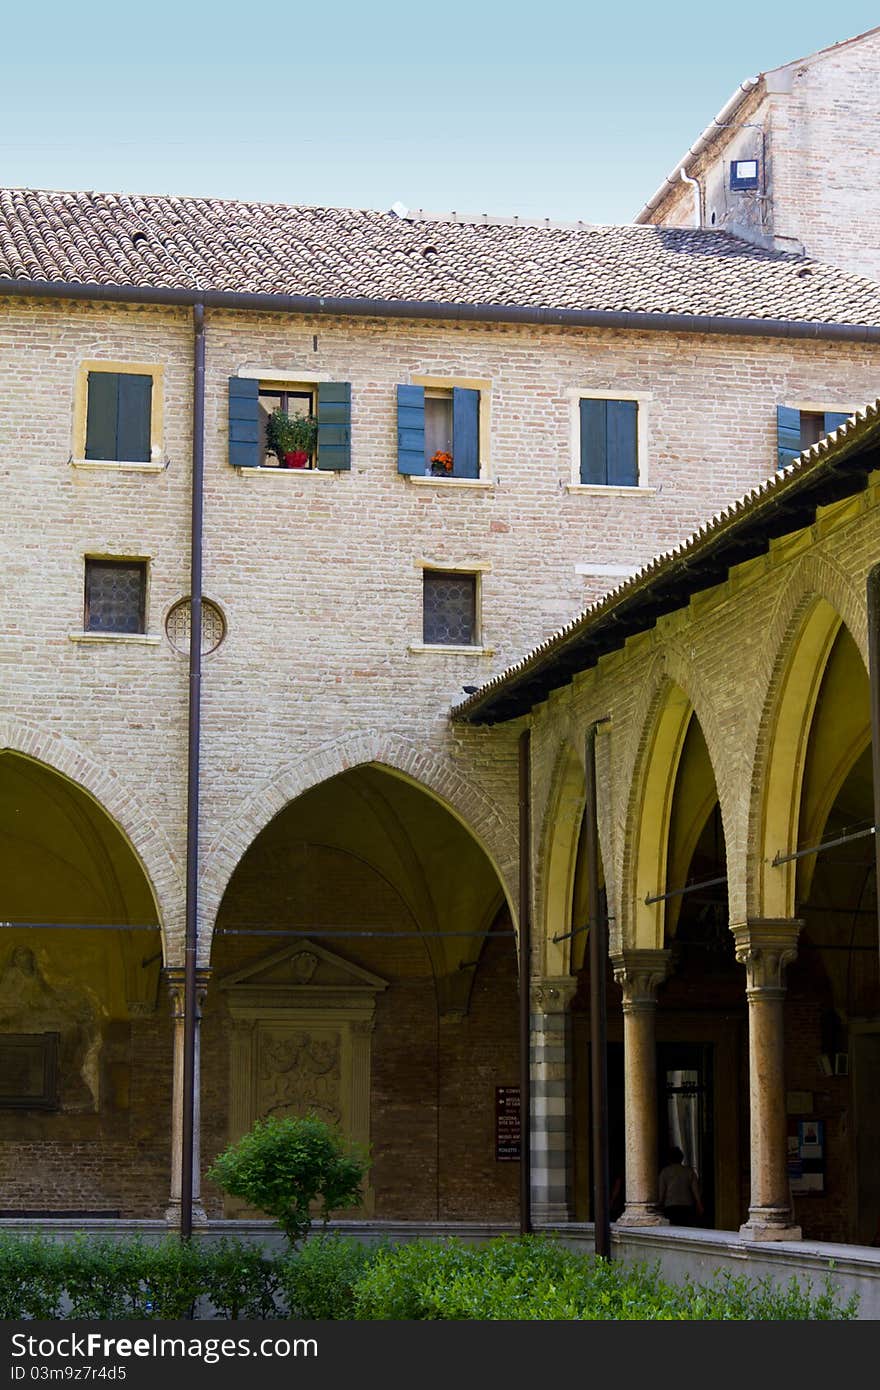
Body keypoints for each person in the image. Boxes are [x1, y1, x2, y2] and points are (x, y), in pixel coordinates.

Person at [658, 1145, 704, 1226]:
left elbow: (662, 1193)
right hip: (686, 1206)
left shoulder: (665, 1172)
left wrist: (659, 1207)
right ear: (681, 1158)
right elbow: (696, 1192)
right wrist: (699, 1205)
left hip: (670, 1207)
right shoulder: (689, 1171)